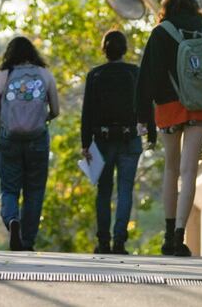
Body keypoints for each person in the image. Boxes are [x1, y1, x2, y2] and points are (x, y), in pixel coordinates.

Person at [135, 0, 202, 257]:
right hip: (200, 105)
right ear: (194, 2)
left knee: (171, 169)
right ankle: (181, 235)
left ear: (167, 2)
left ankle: (168, 236)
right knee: (189, 170)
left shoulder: (161, 32)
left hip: (169, 105)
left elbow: (146, 78)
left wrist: (144, 118)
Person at [81, 28, 150, 254]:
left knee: (103, 190)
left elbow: (87, 112)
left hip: (102, 139)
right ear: (124, 49)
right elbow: (144, 105)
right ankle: (119, 241)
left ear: (104, 50)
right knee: (125, 190)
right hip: (130, 138)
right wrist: (150, 130)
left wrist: (85, 143)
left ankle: (103, 242)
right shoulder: (135, 73)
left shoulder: (96, 75)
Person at [0, 36, 59, 251]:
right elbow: (56, 111)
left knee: (10, 188)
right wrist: (41, 120)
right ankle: (27, 241)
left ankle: (12, 220)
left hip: (9, 139)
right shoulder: (45, 75)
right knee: (35, 190)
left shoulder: (2, 76)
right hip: (37, 139)